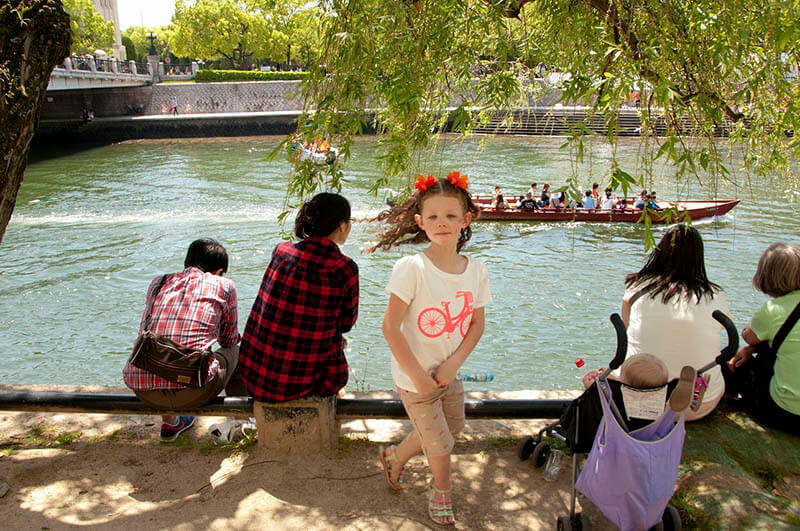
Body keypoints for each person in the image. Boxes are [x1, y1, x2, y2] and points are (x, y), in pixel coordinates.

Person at [371, 171, 490, 526]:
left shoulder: (477, 269)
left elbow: (477, 325)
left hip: (448, 371)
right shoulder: (412, 267)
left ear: (466, 220)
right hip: (415, 377)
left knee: (452, 429)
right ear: (420, 222)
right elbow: (390, 328)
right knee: (440, 445)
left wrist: (453, 365)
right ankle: (441, 494)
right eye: (434, 216)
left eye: (451, 216)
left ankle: (394, 456)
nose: (442, 223)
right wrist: (420, 378)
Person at [238, 193, 358, 403]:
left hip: (254, 373)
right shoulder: (343, 268)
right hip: (295, 384)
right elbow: (347, 323)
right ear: (341, 225)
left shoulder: (281, 251)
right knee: (337, 361)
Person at [123, 238, 241, 441]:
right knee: (238, 351)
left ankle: (170, 423)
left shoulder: (159, 282)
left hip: (143, 389)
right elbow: (228, 340)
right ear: (218, 270)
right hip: (194, 390)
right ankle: (240, 419)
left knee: (162, 346)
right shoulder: (224, 285)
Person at [621, 225, 729, 420]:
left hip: (638, 403)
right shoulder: (715, 295)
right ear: (698, 257)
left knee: (636, 363)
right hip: (698, 406)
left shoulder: (636, 288)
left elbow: (625, 329)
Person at [723, 243, 800, 434]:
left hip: (785, 414)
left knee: (738, 364)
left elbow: (749, 337)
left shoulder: (772, 310)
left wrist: (751, 348)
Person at [582, 353, 668, 389]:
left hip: (618, 427)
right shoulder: (659, 405)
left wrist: (591, 387)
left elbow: (598, 401)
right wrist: (612, 378)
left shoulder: (620, 400)